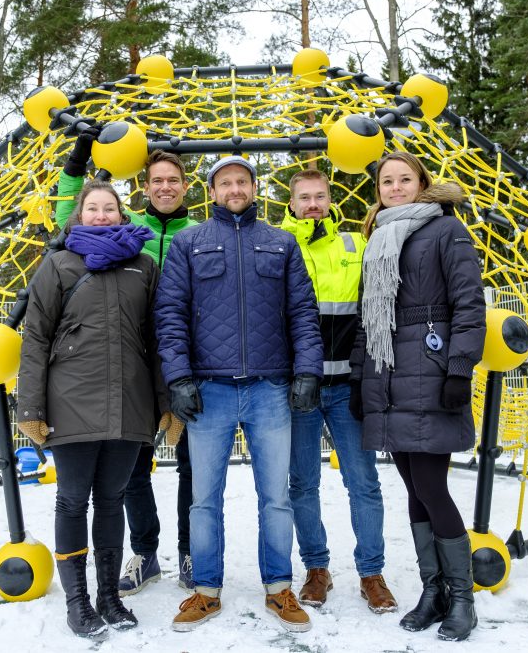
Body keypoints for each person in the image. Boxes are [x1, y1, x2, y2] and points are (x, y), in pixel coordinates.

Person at [155, 155, 324, 633]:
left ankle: (279, 587)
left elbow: (303, 315)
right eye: (225, 182)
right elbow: (170, 316)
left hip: (271, 389)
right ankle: (206, 591)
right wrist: (179, 378)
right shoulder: (188, 243)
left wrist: (306, 371)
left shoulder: (280, 243)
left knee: (276, 497)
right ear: (211, 192)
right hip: (209, 391)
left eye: (242, 182)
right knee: (204, 498)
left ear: (254, 188)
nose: (234, 189)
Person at [350, 151, 486, 642]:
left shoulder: (446, 230)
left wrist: (459, 367)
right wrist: (360, 380)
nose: (396, 187)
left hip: (429, 368)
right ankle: (434, 591)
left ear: (422, 183)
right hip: (388, 374)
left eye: (405, 179)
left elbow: (469, 301)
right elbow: (370, 318)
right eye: (387, 181)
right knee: (414, 489)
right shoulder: (377, 237)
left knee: (432, 486)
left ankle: (462, 597)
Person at [54, 131, 198, 595]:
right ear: (145, 187)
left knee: (192, 465)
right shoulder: (124, 230)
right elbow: (68, 215)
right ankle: (146, 552)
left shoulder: (197, 234)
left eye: (173, 180)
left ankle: (192, 551)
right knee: (133, 470)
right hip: (132, 369)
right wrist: (77, 161)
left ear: (185, 186)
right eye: (157, 180)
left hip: (186, 362)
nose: (165, 187)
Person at [16, 180, 161, 639]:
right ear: (79, 216)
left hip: (129, 403)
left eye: (109, 208)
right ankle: (78, 602)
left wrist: (164, 404)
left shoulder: (144, 266)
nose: (101, 215)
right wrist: (30, 407)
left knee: (113, 500)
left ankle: (109, 597)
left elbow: (157, 340)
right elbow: (35, 339)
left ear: (121, 214)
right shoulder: (57, 266)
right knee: (73, 500)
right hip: (71, 401)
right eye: (93, 208)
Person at [280, 169, 396, 613]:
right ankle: (316, 570)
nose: (312, 204)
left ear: (330, 200)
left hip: (348, 386)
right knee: (302, 484)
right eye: (304, 197)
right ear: (291, 203)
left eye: (320, 196)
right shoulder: (279, 244)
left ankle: (372, 574)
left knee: (363, 483)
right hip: (300, 390)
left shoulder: (355, 244)